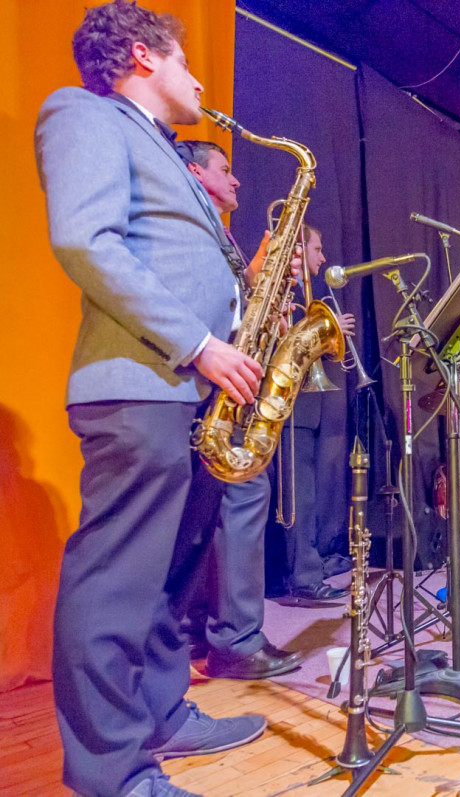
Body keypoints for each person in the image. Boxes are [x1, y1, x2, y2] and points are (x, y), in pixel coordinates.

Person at [36, 3, 266, 794]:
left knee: (169, 571)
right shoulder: (84, 113)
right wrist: (199, 342)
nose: (198, 80)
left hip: (191, 392)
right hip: (142, 386)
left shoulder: (164, 147)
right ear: (142, 56)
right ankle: (111, 772)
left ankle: (163, 712)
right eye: (185, 61)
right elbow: (84, 240)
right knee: (115, 579)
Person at [180, 139, 300, 679]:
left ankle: (199, 631)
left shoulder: (215, 228)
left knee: (208, 509)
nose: (236, 180)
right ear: (194, 172)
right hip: (210, 383)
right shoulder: (193, 224)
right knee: (245, 492)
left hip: (215, 383)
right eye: (225, 170)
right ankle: (235, 640)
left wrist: (259, 289)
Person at [274, 224, 355, 604]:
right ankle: (302, 577)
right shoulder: (281, 292)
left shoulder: (298, 295)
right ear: (298, 250)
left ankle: (304, 568)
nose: (323, 258)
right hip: (287, 408)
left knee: (303, 497)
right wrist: (322, 333)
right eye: (317, 249)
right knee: (298, 498)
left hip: (303, 409)